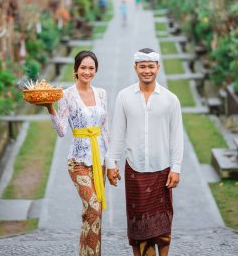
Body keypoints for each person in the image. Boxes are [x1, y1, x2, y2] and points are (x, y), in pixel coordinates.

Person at [105, 48, 184, 256]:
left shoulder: (171, 100)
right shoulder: (124, 97)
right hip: (134, 170)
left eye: (151, 66)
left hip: (162, 171)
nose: (146, 71)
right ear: (135, 68)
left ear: (158, 67)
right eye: (142, 67)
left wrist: (176, 168)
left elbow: (177, 137)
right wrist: (111, 162)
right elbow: (118, 132)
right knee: (138, 227)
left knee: (163, 227)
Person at [45, 50, 109, 256]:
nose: (87, 72)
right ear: (76, 69)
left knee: (93, 214)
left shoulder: (102, 94)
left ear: (96, 70)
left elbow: (105, 129)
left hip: (99, 161)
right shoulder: (66, 95)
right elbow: (62, 131)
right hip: (78, 161)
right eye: (83, 67)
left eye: (91, 68)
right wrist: (50, 108)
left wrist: (112, 162)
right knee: (93, 208)